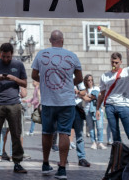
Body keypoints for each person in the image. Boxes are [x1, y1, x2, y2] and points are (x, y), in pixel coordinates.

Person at [31, 29, 82, 180]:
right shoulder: (72, 56)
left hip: (48, 101)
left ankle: (46, 164)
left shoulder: (41, 54)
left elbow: (34, 75)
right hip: (66, 101)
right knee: (64, 132)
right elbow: (79, 78)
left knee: (47, 132)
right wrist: (67, 83)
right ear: (63, 40)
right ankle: (62, 168)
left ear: (50, 40)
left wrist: (47, 82)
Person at [0, 43, 28, 174]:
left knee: (16, 133)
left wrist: (14, 78)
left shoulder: (18, 65)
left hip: (14, 103)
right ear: (0, 53)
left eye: (8, 57)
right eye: (3, 56)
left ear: (12, 54)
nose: (6, 59)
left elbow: (25, 83)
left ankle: (17, 163)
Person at [95, 49, 129, 153]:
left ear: (120, 62)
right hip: (110, 106)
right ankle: (118, 157)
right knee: (115, 135)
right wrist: (98, 108)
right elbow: (102, 94)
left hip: (124, 106)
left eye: (116, 62)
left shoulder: (126, 72)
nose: (114, 64)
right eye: (112, 62)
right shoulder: (105, 76)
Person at [84, 74, 106, 150]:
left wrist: (90, 96)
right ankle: (93, 142)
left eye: (91, 80)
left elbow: (99, 96)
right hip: (88, 110)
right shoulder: (85, 90)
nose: (90, 82)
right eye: (88, 80)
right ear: (86, 81)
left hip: (98, 109)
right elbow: (86, 99)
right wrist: (93, 96)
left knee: (100, 126)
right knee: (91, 127)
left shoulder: (96, 88)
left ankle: (100, 142)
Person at [72, 81, 91, 167]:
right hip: (65, 107)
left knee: (79, 134)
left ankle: (81, 158)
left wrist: (77, 92)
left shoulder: (77, 78)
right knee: (64, 134)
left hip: (77, 108)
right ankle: (63, 159)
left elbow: (84, 92)